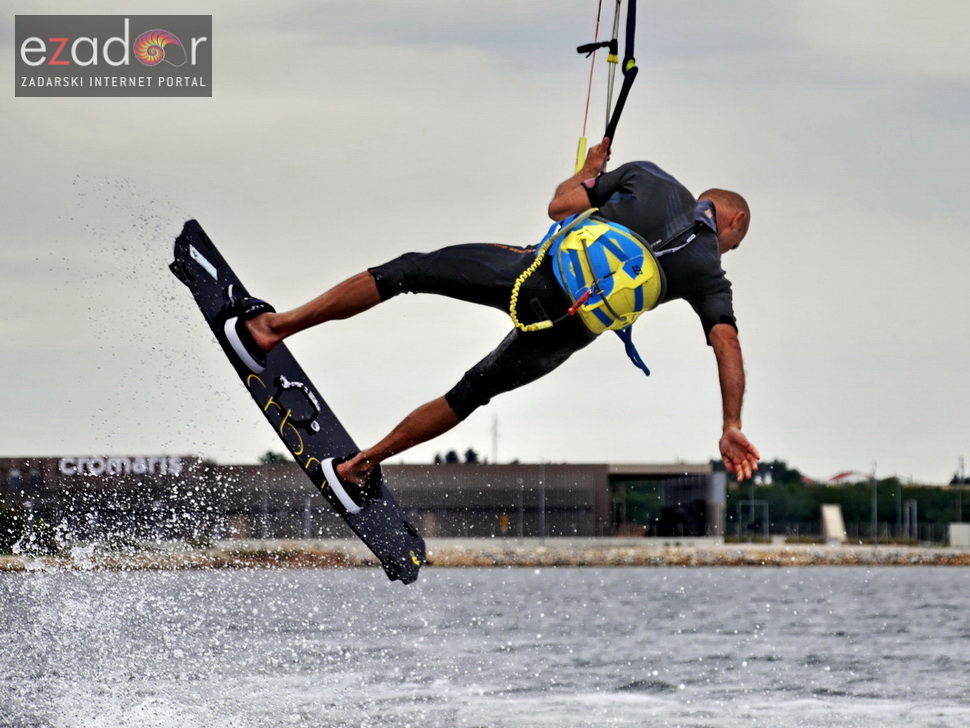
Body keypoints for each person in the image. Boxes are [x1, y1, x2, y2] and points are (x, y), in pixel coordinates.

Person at [225, 138, 759, 506]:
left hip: (531, 277)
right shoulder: (709, 275)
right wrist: (730, 424)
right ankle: (359, 466)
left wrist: (589, 171)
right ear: (733, 221)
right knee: (471, 392)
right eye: (735, 243)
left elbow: (559, 206)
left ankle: (275, 328)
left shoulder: (651, 177)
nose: (728, 251)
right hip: (564, 335)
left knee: (409, 271)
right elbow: (727, 345)